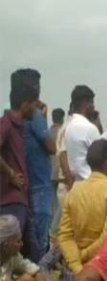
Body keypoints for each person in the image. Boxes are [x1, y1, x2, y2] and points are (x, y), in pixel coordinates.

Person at [56, 139, 107, 274]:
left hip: (76, 269)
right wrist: (83, 256)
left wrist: (77, 266)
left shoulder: (74, 192)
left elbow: (64, 236)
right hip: (103, 268)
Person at [0, 82, 40, 263]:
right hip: (11, 201)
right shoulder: (6, 124)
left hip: (20, 199)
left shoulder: (17, 126)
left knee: (32, 252)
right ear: (25, 104)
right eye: (34, 103)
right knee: (11, 252)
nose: (36, 108)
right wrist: (11, 174)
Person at [24, 99, 56, 255]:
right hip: (40, 185)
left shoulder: (15, 119)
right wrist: (43, 118)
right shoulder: (35, 117)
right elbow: (52, 147)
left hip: (28, 184)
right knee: (40, 239)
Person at [64, 85, 100, 184]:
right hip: (91, 184)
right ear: (85, 103)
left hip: (75, 185)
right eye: (92, 102)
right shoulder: (89, 128)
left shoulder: (68, 127)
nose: (94, 107)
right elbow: (102, 158)